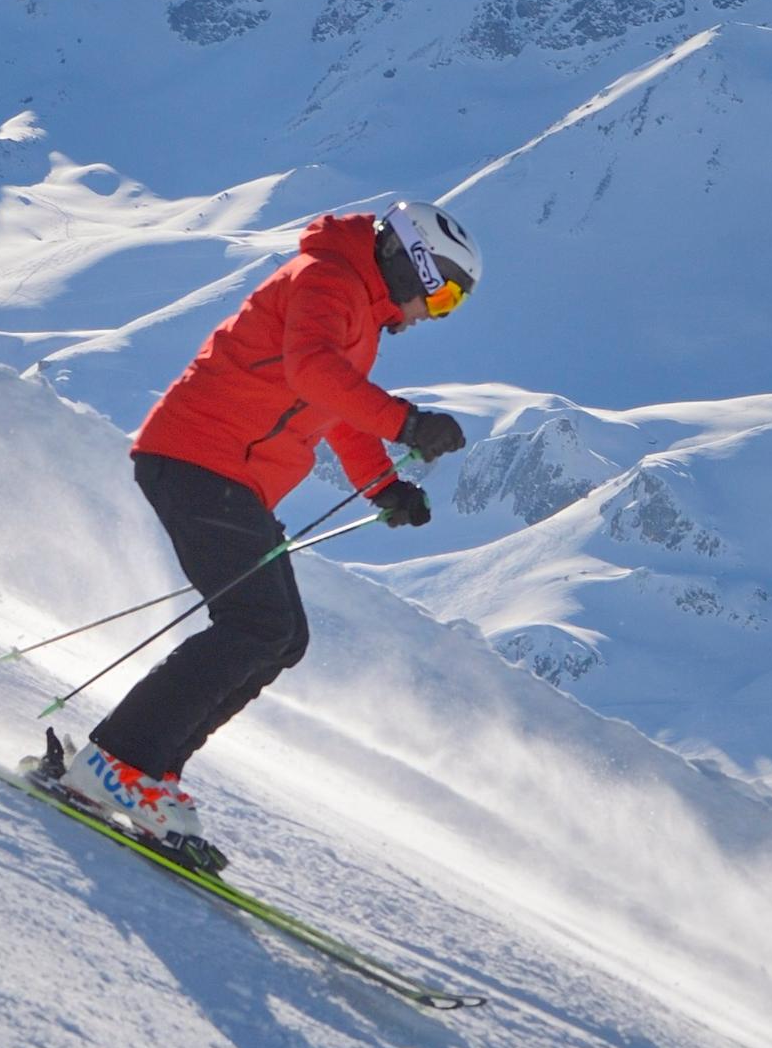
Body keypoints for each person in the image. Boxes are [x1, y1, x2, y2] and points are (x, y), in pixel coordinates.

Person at [50, 201, 482, 867]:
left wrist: (383, 486)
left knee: (283, 637)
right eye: (444, 295)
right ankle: (120, 762)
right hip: (197, 458)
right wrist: (407, 423)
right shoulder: (328, 280)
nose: (438, 313)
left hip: (227, 474)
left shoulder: (356, 306)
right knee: (256, 624)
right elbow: (313, 372)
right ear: (413, 262)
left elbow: (335, 406)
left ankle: (147, 769)